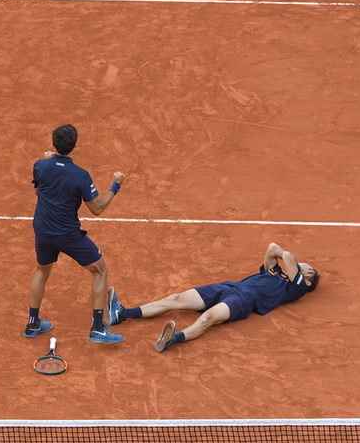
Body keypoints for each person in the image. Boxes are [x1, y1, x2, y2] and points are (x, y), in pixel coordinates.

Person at [106, 242, 320, 351]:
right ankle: (122, 314)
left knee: (207, 319)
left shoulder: (295, 288)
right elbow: (273, 247)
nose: (305, 266)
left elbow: (289, 257)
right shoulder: (273, 271)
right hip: (226, 288)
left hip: (243, 301)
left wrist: (300, 266)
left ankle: (173, 339)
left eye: (308, 269)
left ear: (307, 278)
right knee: (176, 298)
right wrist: (290, 265)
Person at [24, 124, 126, 343]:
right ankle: (98, 328)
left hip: (42, 231)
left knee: (42, 272)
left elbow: (37, 190)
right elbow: (96, 209)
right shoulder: (81, 175)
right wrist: (115, 185)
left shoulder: (40, 165)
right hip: (68, 235)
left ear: (54, 143)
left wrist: (50, 163)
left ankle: (33, 323)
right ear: (74, 145)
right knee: (100, 270)